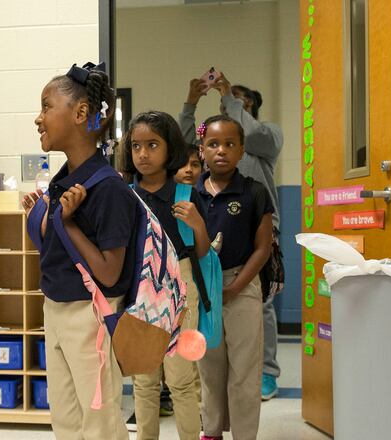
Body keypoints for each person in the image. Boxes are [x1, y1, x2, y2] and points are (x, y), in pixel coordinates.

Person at [23, 62, 134, 440]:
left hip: (90, 316)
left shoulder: (109, 189)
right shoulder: (64, 181)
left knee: (99, 421)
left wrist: (68, 223)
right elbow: (59, 254)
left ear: (80, 113)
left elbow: (108, 273)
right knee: (67, 421)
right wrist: (40, 219)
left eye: (45, 106)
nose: (38, 119)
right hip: (55, 309)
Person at [179, 75, 283, 400]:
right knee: (207, 298)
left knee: (258, 302)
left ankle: (266, 372)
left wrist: (228, 93)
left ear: (249, 108)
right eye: (226, 102)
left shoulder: (264, 138)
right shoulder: (217, 145)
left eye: (239, 102)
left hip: (257, 227)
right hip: (212, 225)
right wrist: (191, 102)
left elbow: (249, 132)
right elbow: (187, 147)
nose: (230, 105)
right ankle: (214, 375)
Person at [121, 111, 207, 440]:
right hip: (138, 289)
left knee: (182, 379)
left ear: (170, 149)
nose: (143, 154)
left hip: (182, 287)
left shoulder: (186, 196)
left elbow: (202, 252)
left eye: (152, 145)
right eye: (137, 146)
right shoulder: (125, 197)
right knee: (144, 381)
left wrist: (197, 223)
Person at [193, 116, 274, 440]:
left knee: (244, 370)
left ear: (241, 151)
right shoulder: (190, 193)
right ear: (202, 150)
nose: (221, 151)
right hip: (204, 290)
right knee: (209, 370)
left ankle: (244, 435)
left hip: (242, 284)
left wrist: (236, 287)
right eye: (213, 144)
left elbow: (263, 247)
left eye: (229, 144)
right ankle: (210, 432)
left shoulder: (254, 192)